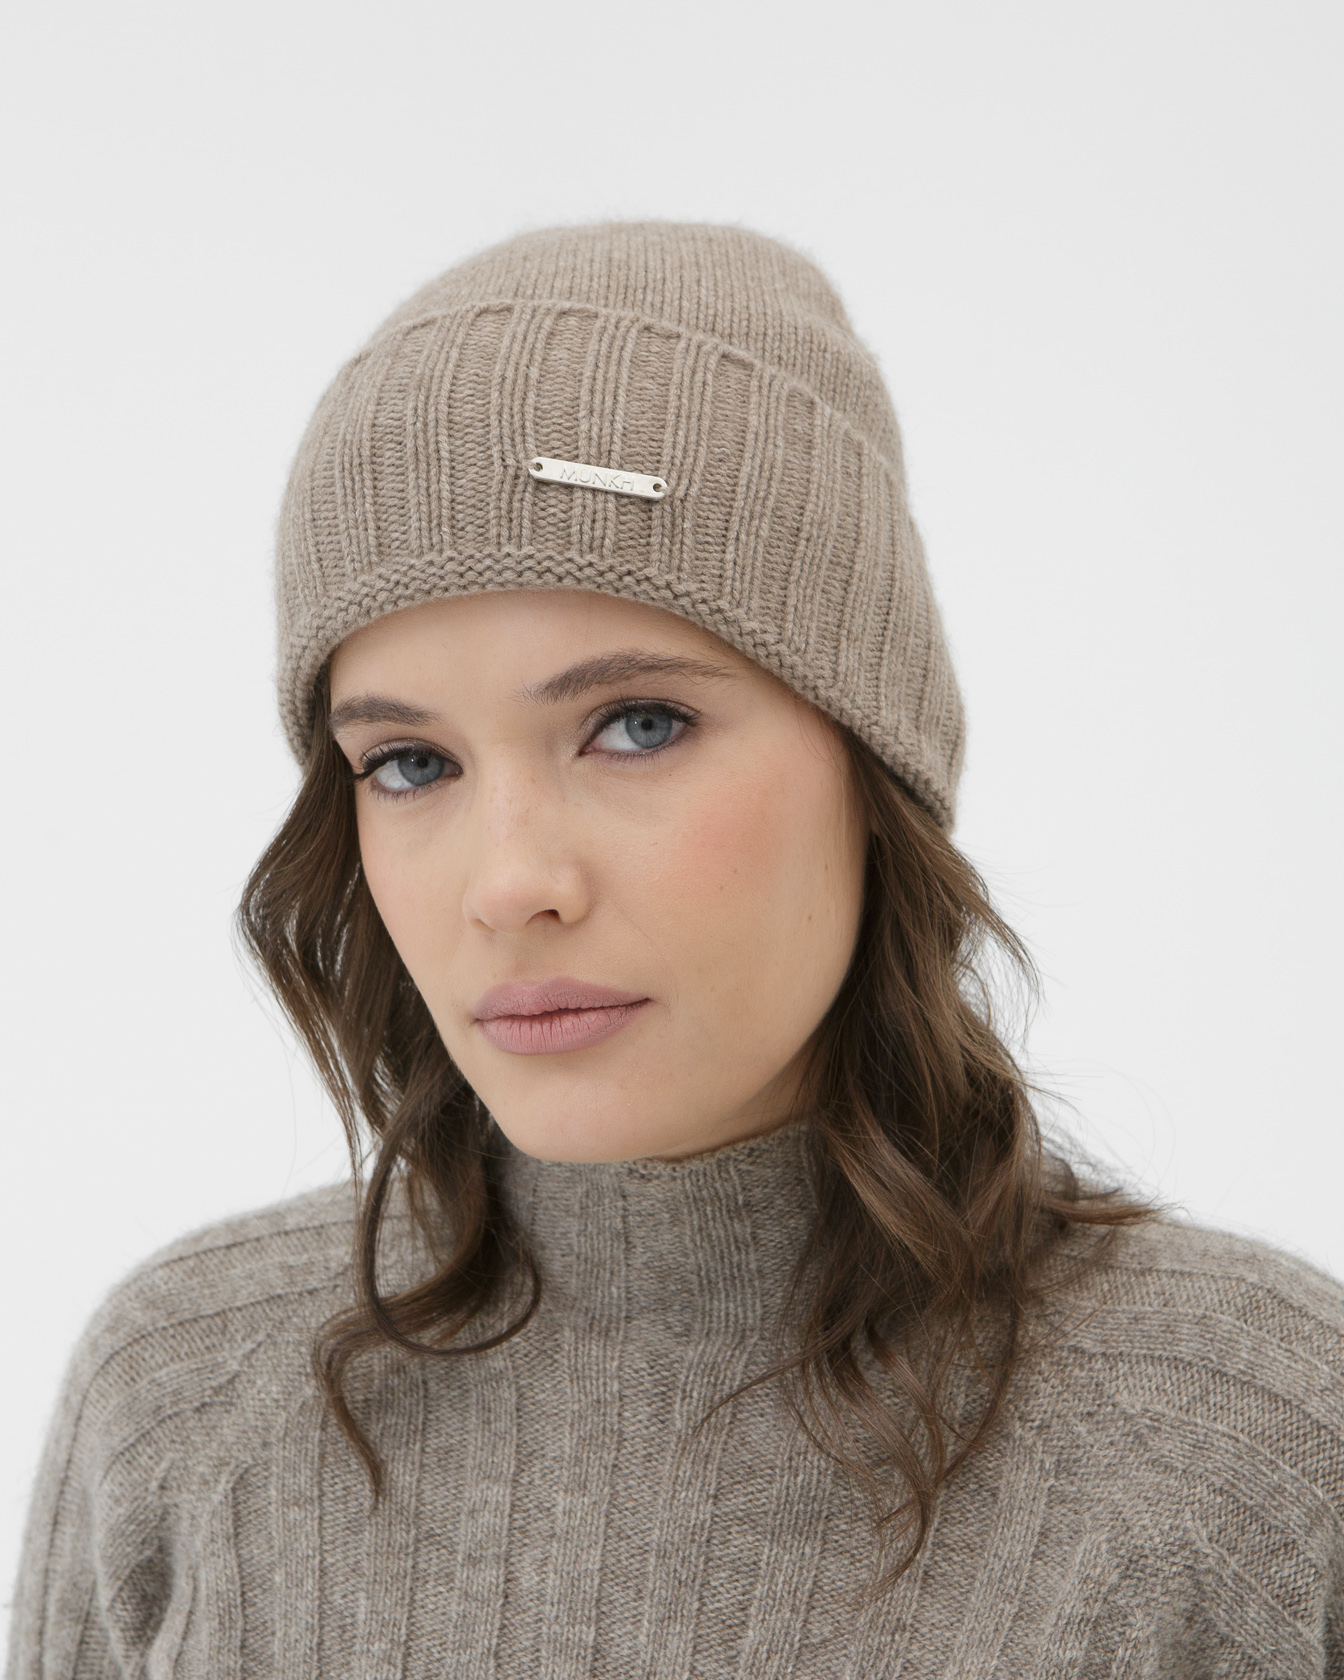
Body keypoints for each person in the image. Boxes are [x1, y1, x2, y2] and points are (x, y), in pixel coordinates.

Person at [7, 221, 1342, 1680]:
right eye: (409, 762)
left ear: (873, 761)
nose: (510, 885)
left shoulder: (1253, 1444)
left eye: (637, 725)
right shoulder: (184, 1397)